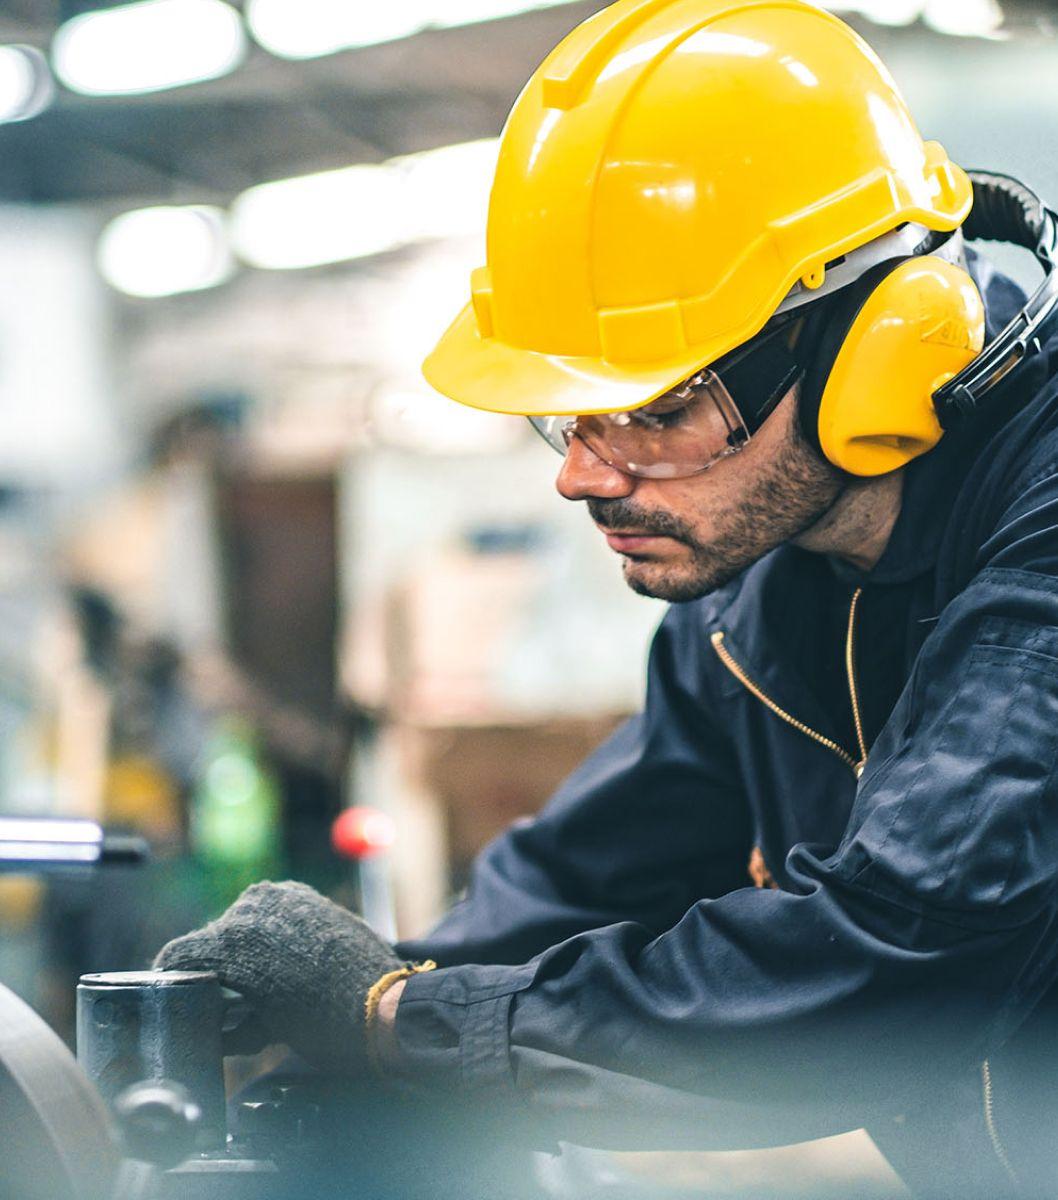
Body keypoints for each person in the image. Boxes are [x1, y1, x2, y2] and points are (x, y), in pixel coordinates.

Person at [155, 2, 1058, 1196]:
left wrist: (398, 1022)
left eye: (652, 410)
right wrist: (351, 998)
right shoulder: (757, 586)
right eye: (568, 415)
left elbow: (892, 958)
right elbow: (592, 874)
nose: (580, 474)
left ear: (877, 347)